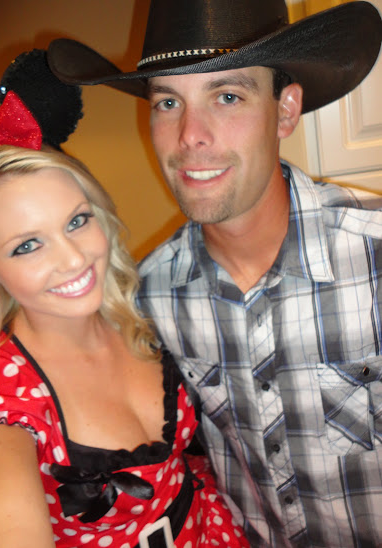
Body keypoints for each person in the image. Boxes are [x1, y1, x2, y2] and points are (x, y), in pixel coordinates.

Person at [47, 1, 382, 546]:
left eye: (227, 96)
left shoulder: (373, 255)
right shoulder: (148, 300)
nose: (190, 135)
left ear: (285, 111)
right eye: (168, 102)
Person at [0, 90, 250, 548]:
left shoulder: (142, 310)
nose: (74, 259)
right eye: (27, 246)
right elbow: (7, 520)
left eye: (76, 221)